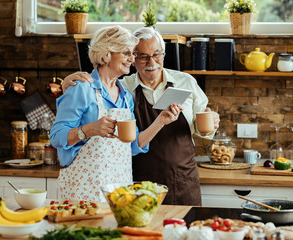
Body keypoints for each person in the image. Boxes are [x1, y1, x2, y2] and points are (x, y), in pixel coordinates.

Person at [62, 26, 220, 206]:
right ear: (133, 59)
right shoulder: (122, 87)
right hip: (138, 181)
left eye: (157, 55)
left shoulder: (186, 82)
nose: (151, 62)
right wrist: (67, 85)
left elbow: (203, 127)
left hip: (182, 180)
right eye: (143, 56)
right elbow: (93, 87)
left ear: (163, 54)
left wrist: (211, 122)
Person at [50, 26, 181, 202]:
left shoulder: (125, 96)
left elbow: (133, 145)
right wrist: (90, 130)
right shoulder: (81, 88)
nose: (132, 58)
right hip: (84, 189)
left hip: (119, 189)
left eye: (132, 53)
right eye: (126, 53)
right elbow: (56, 137)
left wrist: (160, 121)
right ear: (106, 54)